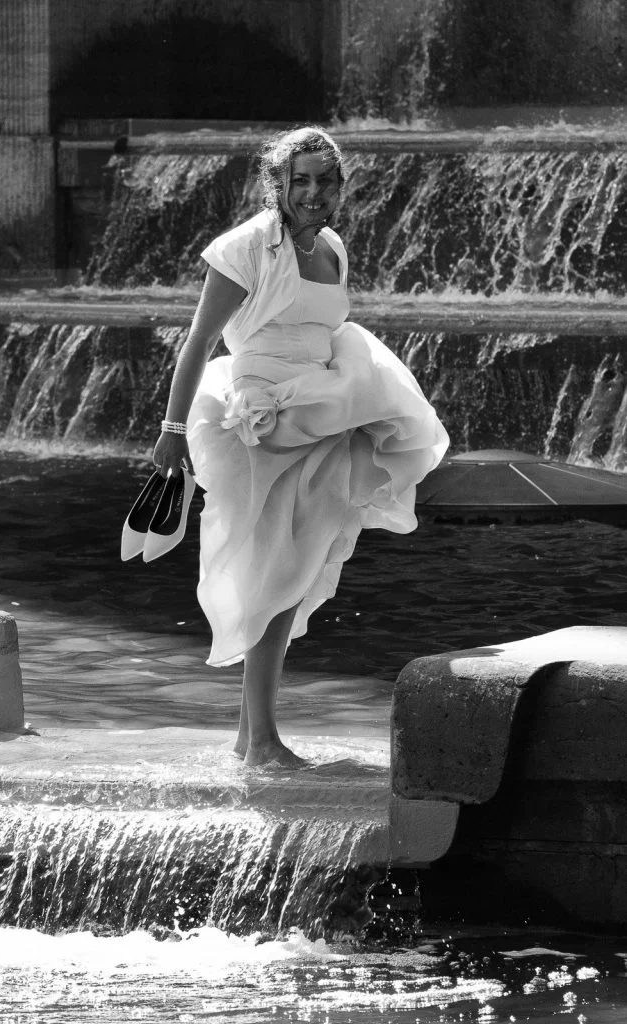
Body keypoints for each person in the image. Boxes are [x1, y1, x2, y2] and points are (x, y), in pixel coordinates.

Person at [153, 126, 449, 768]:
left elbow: (326, 326)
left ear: (341, 188)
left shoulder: (333, 248)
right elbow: (199, 343)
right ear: (279, 185)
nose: (313, 192)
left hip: (319, 420)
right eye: (301, 180)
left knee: (292, 574)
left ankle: (249, 737)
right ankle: (262, 741)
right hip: (257, 423)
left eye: (325, 181)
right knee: (270, 575)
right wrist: (172, 433)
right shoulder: (242, 250)